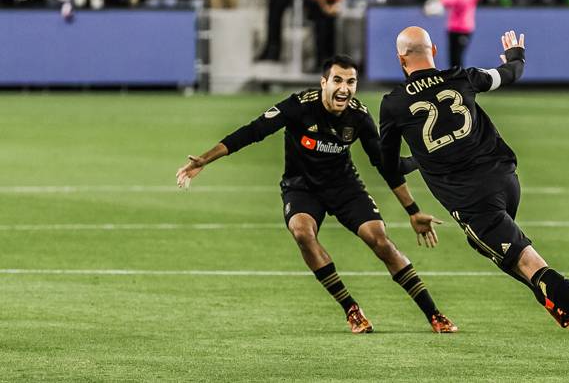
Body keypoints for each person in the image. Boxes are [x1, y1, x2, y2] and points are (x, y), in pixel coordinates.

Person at [378, 26, 569, 369]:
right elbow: (510, 73)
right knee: (488, 246)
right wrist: (516, 56)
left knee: (531, 265)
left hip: (472, 199)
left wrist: (417, 162)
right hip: (505, 180)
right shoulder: (462, 77)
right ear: (434, 51)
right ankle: (550, 300)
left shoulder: (393, 103)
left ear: (400, 59)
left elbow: (389, 166)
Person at [176, 55, 457, 334]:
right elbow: (253, 131)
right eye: (337, 80)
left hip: (344, 186)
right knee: (302, 232)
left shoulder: (358, 116)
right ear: (324, 83)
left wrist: (413, 210)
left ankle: (434, 314)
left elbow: (386, 166)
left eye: (351, 82)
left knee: (379, 239)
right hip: (301, 187)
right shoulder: (298, 106)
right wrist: (204, 159)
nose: (344, 88)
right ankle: (351, 309)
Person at [439, 0, 481, 68]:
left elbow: (464, 2)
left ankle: (461, 78)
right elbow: (446, 2)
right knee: (452, 56)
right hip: (452, 29)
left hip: (465, 29)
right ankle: (453, 78)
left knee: (459, 55)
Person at [308, 0, 346, 70]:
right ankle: (331, 63)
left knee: (320, 36)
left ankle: (319, 62)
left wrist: (325, 7)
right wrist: (333, 6)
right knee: (332, 35)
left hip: (320, 6)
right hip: (333, 4)